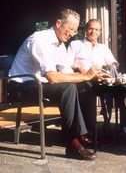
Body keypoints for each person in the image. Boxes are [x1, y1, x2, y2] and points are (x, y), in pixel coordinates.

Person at [8, 8, 110, 160]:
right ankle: (72, 143)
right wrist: (85, 75)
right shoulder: (39, 39)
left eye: (75, 31)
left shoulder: (60, 45)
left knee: (83, 85)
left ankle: (79, 133)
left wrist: (91, 76)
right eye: (70, 29)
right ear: (58, 23)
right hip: (20, 86)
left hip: (38, 83)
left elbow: (67, 72)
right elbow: (53, 77)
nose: (72, 34)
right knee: (68, 87)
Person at [66, 19, 126, 136]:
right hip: (85, 78)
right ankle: (122, 111)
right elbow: (67, 63)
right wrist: (79, 68)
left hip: (102, 78)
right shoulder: (75, 44)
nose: (93, 31)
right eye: (91, 28)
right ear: (86, 30)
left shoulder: (103, 48)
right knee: (112, 84)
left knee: (111, 72)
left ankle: (108, 121)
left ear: (100, 32)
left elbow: (114, 63)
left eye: (96, 29)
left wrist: (111, 66)